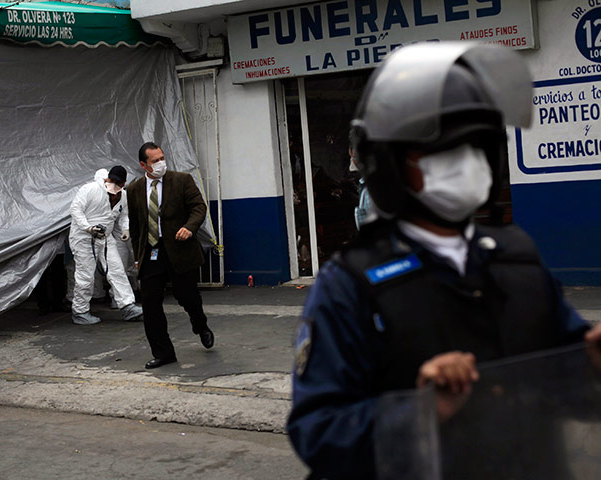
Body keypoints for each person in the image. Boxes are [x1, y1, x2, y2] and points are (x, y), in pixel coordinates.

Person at [286, 43, 601, 479]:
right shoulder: (351, 283)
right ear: (390, 162)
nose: (464, 160)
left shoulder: (517, 257)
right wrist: (419, 411)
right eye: (440, 148)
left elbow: (569, 389)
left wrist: (593, 365)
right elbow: (317, 431)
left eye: (475, 145)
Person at [126, 141, 214, 369]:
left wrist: (190, 227)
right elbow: (136, 227)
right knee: (150, 305)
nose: (161, 164)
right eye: (155, 161)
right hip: (152, 253)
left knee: (187, 296)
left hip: (180, 250)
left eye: (162, 158)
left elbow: (199, 207)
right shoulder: (134, 190)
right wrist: (138, 256)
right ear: (143, 165)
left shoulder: (182, 180)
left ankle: (200, 324)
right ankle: (164, 353)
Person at [69, 165, 143, 325]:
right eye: (112, 181)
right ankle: (80, 311)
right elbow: (76, 210)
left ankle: (128, 306)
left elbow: (124, 215)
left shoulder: (122, 196)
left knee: (117, 270)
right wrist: (87, 227)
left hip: (105, 238)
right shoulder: (90, 189)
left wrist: (125, 229)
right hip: (83, 238)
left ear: (123, 184)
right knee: (85, 275)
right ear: (107, 178)